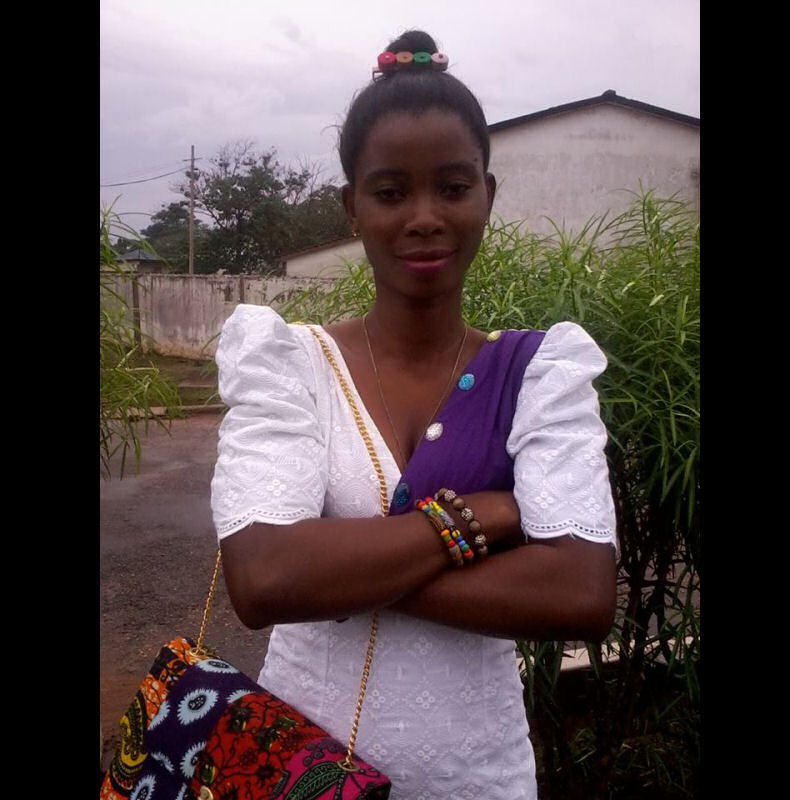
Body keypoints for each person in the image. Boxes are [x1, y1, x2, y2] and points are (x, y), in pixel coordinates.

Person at [210, 29, 617, 800]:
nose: (424, 217)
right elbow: (262, 578)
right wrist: (480, 518)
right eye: (391, 192)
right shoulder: (292, 366)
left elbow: (580, 594)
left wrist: (329, 573)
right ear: (352, 207)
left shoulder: (537, 376)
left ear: (487, 195)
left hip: (478, 777)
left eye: (453, 188)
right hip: (296, 770)